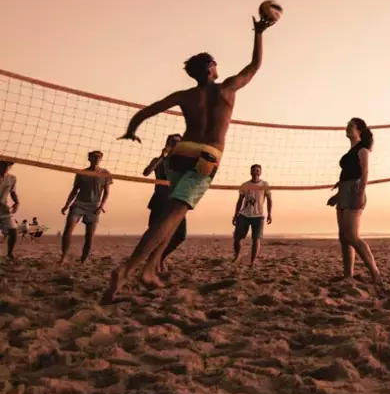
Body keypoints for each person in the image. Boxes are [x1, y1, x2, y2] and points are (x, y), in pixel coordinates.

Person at [101, 15, 273, 303]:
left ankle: (150, 270)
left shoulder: (185, 95)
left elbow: (148, 111)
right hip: (206, 155)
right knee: (172, 216)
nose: (218, 67)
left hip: (181, 154)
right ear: (210, 68)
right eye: (215, 63)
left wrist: (132, 131)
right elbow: (255, 66)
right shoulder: (226, 89)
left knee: (173, 213)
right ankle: (128, 269)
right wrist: (258, 33)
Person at [330, 118, 382, 287]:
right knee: (343, 237)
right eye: (347, 125)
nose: (347, 127)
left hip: (354, 191)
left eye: (351, 125)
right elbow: (347, 174)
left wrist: (360, 193)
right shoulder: (349, 152)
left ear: (359, 130)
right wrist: (338, 194)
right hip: (344, 191)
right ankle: (348, 276)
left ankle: (375, 273)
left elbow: (365, 173)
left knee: (351, 235)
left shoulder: (362, 149)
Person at [142, 134, 187, 273]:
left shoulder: (182, 162)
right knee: (154, 234)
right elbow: (146, 172)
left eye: (178, 142)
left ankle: (160, 257)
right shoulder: (159, 160)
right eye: (172, 142)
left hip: (176, 202)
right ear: (167, 143)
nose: (175, 144)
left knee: (181, 235)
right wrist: (163, 156)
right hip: (159, 200)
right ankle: (151, 263)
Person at [60, 150, 112, 263]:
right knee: (68, 230)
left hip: (93, 207)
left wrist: (101, 206)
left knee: (89, 236)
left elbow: (107, 192)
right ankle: (64, 256)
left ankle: (84, 259)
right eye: (94, 157)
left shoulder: (105, 173)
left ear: (101, 159)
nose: (96, 158)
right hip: (78, 204)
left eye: (98, 157)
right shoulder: (82, 173)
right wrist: (66, 205)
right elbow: (74, 190)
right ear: (89, 159)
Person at [233, 164, 272, 267]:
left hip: (258, 216)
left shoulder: (265, 185)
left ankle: (252, 261)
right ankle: (237, 256)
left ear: (260, 172)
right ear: (250, 172)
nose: (256, 172)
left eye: (257, 170)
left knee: (256, 239)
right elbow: (240, 200)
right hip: (244, 215)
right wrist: (235, 215)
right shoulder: (245, 185)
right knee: (237, 238)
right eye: (254, 171)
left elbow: (269, 200)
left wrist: (269, 214)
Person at [0, 161, 20, 260]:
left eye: (9, 165)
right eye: (3, 164)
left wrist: (17, 202)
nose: (6, 167)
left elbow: (13, 192)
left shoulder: (12, 178)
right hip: (3, 207)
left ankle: (10, 253)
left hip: (3, 211)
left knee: (13, 231)